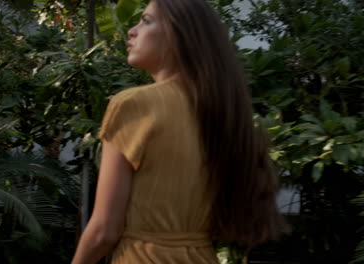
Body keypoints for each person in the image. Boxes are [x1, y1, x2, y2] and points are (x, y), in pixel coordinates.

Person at [71, 0, 284, 263]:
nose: (132, 31)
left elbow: (105, 230)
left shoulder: (133, 105)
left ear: (179, 35)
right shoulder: (225, 113)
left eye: (146, 21)